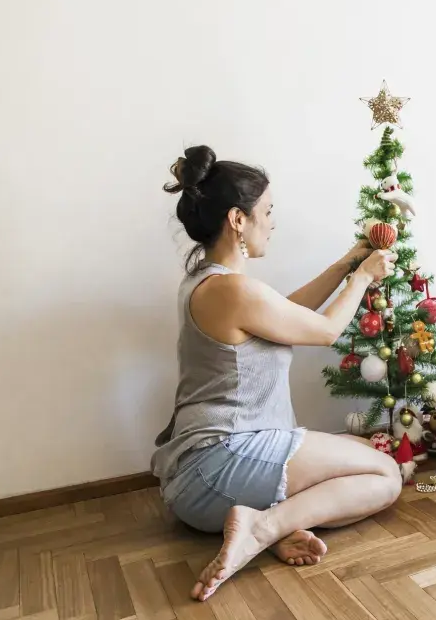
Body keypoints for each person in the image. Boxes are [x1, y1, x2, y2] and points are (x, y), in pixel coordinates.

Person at [151, 145, 402, 602]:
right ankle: (261, 527)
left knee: (361, 449)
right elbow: (325, 330)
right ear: (237, 219)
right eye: (266, 210)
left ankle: (274, 523)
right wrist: (363, 278)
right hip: (218, 466)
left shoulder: (214, 282)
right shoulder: (231, 290)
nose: (272, 220)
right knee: (386, 475)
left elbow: (287, 313)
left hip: (208, 468)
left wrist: (348, 262)